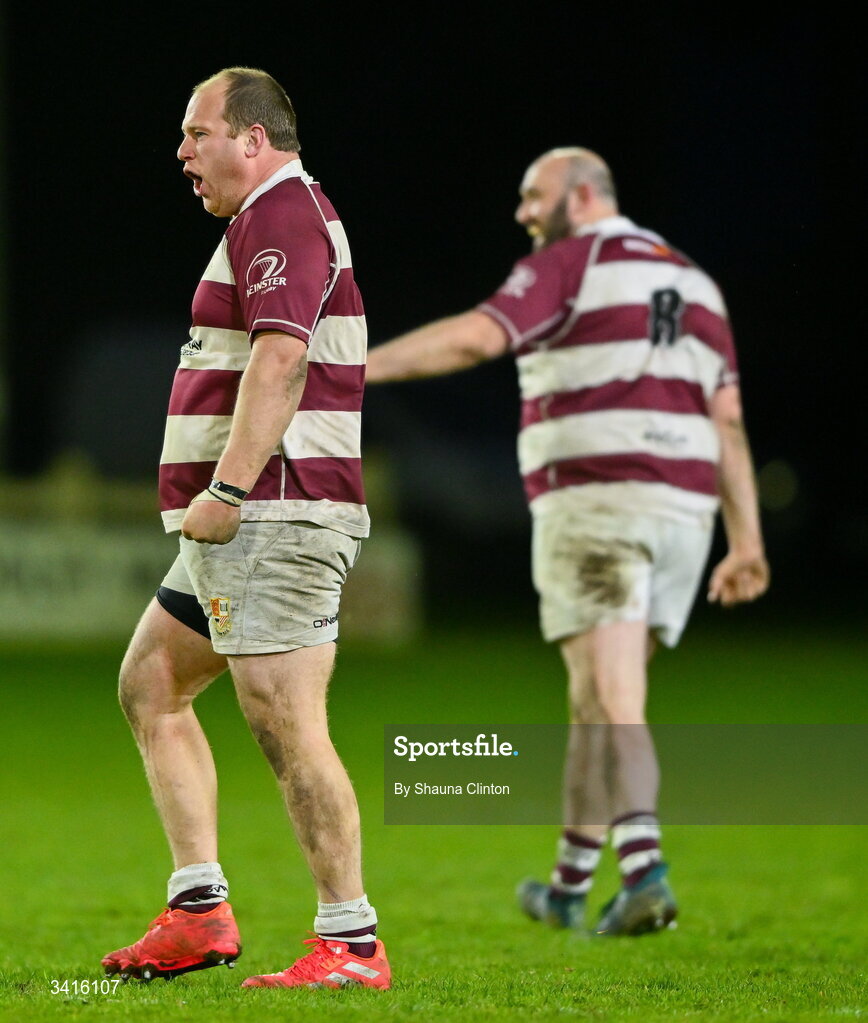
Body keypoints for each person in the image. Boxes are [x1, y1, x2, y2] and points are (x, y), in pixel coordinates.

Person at [365, 147, 769, 936]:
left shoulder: (569, 261)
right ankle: (567, 885)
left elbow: (477, 339)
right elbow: (728, 423)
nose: (523, 213)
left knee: (614, 698)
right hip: (683, 517)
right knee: (594, 701)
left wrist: (355, 369)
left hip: (599, 505)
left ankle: (645, 869)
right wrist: (746, 537)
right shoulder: (698, 284)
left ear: (582, 196)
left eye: (532, 196)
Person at [100, 67, 390, 990]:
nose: (183, 152)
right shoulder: (262, 219)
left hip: (276, 507)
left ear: (253, 138)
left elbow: (281, 357)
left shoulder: (281, 212)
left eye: (197, 133)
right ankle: (197, 911)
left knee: (285, 720)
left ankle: (350, 942)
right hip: (245, 520)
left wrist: (228, 485)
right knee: (152, 683)